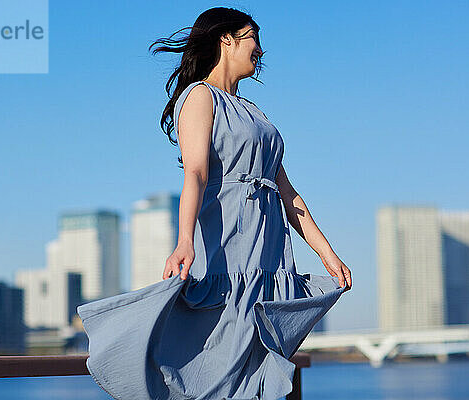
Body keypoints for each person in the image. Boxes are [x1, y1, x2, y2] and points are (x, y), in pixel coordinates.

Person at [77, 7, 352, 400]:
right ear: (227, 38)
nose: (260, 49)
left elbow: (289, 194)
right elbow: (196, 174)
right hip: (228, 245)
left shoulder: (257, 113)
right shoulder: (200, 97)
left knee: (259, 352)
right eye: (253, 37)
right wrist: (184, 240)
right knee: (223, 350)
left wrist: (328, 254)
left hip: (268, 249)